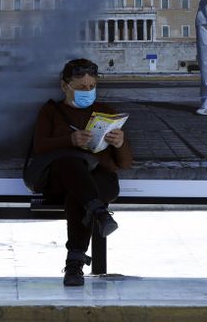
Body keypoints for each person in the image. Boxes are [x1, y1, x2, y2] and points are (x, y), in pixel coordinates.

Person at [28, 59, 133, 286]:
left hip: (98, 182)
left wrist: (120, 143)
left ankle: (74, 264)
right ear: (65, 86)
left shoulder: (106, 113)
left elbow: (124, 163)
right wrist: (71, 140)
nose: (87, 91)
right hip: (60, 179)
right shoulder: (51, 111)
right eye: (81, 87)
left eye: (91, 87)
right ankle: (97, 215)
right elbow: (39, 146)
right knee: (71, 163)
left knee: (81, 196)